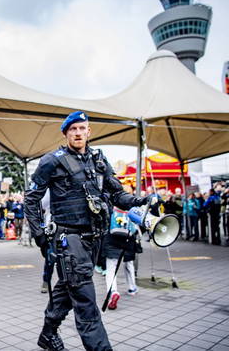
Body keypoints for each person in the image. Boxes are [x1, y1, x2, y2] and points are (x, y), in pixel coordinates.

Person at [24, 111, 148, 351]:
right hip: (69, 240)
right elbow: (31, 198)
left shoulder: (99, 160)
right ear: (65, 133)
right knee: (86, 303)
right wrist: (39, 234)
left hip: (93, 241)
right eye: (73, 129)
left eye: (82, 128)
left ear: (89, 132)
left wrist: (137, 202)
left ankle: (48, 334)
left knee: (66, 289)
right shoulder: (52, 160)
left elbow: (117, 194)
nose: (78, 133)